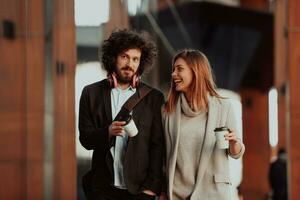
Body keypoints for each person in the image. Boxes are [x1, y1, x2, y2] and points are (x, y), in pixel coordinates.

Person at [79, 29, 165, 200]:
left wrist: (152, 188)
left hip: (140, 191)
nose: (130, 64)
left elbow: (158, 147)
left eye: (135, 59)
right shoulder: (91, 93)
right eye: (124, 57)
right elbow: (85, 139)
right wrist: (107, 132)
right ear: (113, 58)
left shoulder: (154, 98)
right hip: (102, 188)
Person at [160, 49, 245, 200]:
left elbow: (236, 152)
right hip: (177, 194)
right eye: (173, 69)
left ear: (196, 71)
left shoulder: (223, 107)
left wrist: (234, 142)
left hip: (213, 193)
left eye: (179, 69)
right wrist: (163, 191)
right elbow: (162, 155)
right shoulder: (168, 111)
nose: (173, 74)